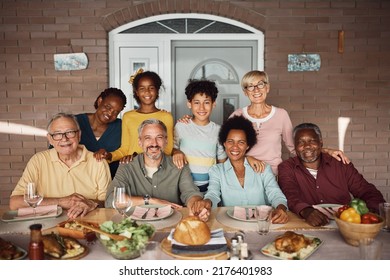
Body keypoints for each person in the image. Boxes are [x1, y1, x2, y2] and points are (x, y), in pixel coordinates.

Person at [230, 70, 349, 175]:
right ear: (245, 92)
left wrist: (327, 151)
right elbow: (227, 150)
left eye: (260, 84)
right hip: (243, 174)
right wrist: (247, 158)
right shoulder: (237, 116)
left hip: (273, 175)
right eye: (250, 86)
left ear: (267, 88)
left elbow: (295, 148)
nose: (256, 90)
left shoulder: (281, 115)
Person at [278, 123, 386, 227]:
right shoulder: (287, 167)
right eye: (301, 142)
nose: (307, 146)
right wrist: (306, 211)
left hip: (344, 224)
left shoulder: (340, 164)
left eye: (312, 140)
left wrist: (373, 210)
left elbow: (365, 190)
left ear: (321, 143)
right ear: (295, 147)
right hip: (306, 224)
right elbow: (290, 195)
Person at [10, 113, 111, 219]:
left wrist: (90, 203)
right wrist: (61, 202)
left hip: (89, 225)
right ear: (50, 138)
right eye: (57, 134)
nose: (64, 139)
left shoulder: (98, 162)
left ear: (79, 135)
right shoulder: (38, 160)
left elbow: (108, 203)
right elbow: (15, 203)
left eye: (70, 132)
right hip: (47, 225)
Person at [191, 115, 289, 224]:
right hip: (230, 224)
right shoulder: (217, 170)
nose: (235, 147)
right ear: (224, 143)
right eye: (230, 141)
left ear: (247, 146)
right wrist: (207, 202)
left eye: (241, 142)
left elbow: (276, 194)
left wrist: (281, 208)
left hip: (263, 225)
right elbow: (213, 193)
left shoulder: (263, 168)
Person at [173, 80, 265, 193]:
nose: (201, 107)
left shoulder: (218, 131)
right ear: (189, 104)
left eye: (206, 102)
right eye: (197, 102)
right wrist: (176, 152)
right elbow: (172, 150)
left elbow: (222, 161)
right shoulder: (181, 126)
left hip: (210, 187)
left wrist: (247, 158)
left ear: (214, 104)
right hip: (184, 187)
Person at [105, 119, 209, 216]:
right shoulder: (127, 167)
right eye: (148, 138)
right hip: (136, 226)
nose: (154, 143)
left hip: (172, 223)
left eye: (159, 137)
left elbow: (190, 193)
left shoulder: (179, 165)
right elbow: (111, 200)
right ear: (140, 142)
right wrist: (150, 201)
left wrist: (196, 206)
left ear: (166, 141)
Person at [95, 69, 174, 164]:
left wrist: (140, 157)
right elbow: (124, 149)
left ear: (157, 90)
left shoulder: (166, 117)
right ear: (136, 92)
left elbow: (168, 150)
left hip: (158, 167)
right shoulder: (128, 117)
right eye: (142, 89)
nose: (147, 92)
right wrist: (109, 155)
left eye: (151, 88)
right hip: (133, 168)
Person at [76, 87, 126, 178]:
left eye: (116, 112)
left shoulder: (121, 127)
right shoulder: (75, 122)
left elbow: (129, 151)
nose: (110, 113)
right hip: (78, 181)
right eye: (108, 107)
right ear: (100, 101)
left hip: (111, 182)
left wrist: (108, 155)